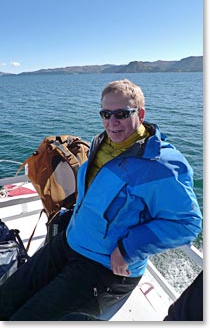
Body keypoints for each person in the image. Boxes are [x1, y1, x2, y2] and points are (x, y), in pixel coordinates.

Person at [0, 79, 202, 321]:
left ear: (141, 113)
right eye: (105, 114)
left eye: (121, 114)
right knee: (5, 299)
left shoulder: (163, 165)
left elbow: (187, 224)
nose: (112, 122)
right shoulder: (101, 143)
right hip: (70, 242)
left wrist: (128, 249)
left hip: (103, 268)